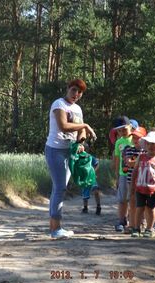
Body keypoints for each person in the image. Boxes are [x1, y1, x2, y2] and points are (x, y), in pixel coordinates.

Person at [45, 79, 96, 239]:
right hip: (55, 150)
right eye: (74, 90)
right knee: (60, 188)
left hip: (70, 152)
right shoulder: (59, 104)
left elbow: (79, 131)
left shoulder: (78, 109)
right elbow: (63, 126)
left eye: (80, 92)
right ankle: (55, 229)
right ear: (68, 88)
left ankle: (55, 227)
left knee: (60, 188)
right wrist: (86, 126)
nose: (76, 94)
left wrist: (81, 142)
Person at [131, 131, 155, 237]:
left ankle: (149, 228)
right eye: (149, 143)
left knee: (151, 209)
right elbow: (135, 171)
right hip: (140, 188)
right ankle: (136, 228)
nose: (151, 146)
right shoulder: (141, 157)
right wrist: (132, 185)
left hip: (153, 190)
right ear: (145, 144)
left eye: (154, 144)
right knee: (139, 208)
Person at [122, 126, 147, 234]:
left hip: (144, 181)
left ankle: (142, 224)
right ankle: (132, 225)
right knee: (132, 203)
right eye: (134, 137)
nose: (135, 140)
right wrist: (141, 159)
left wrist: (137, 160)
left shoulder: (146, 151)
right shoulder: (129, 149)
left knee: (143, 203)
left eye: (138, 138)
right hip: (131, 181)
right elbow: (129, 163)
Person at [113, 116, 133, 232]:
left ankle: (133, 221)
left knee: (132, 199)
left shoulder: (135, 140)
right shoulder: (118, 142)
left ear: (130, 127)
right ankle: (121, 220)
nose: (122, 132)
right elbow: (117, 160)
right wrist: (117, 176)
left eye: (124, 129)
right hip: (123, 174)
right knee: (122, 199)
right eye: (119, 130)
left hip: (134, 174)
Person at [79, 144, 101, 215]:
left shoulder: (90, 157)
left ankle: (98, 206)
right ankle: (85, 207)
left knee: (96, 190)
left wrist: (94, 171)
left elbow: (97, 164)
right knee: (85, 193)